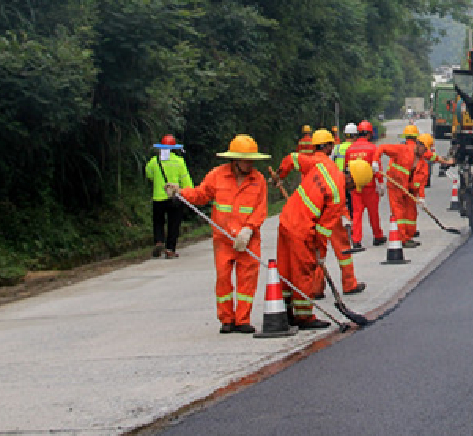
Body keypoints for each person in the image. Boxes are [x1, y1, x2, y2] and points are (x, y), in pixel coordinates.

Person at [170, 135, 270, 334]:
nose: (249, 164)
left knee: (247, 280)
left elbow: (260, 209)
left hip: (248, 240)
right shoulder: (217, 175)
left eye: (251, 160)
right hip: (223, 239)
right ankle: (227, 319)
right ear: (234, 160)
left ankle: (243, 320)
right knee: (223, 279)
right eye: (245, 160)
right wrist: (181, 192)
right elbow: (200, 195)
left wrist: (249, 229)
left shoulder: (258, 180)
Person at [274, 129, 358, 330]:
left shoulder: (322, 166)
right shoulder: (338, 195)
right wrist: (318, 253)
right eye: (354, 186)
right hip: (302, 228)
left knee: (285, 267)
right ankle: (304, 317)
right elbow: (322, 231)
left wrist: (280, 174)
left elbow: (292, 159)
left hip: (286, 219)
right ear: (351, 179)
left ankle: (284, 309)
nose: (352, 190)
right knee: (304, 269)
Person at [145, 134, 193, 259]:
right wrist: (189, 193)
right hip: (175, 197)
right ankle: (170, 249)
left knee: (158, 222)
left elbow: (149, 175)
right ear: (173, 148)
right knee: (174, 224)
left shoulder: (154, 161)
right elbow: (186, 181)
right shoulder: (179, 161)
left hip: (158, 198)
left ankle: (159, 241)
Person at [345, 121, 387, 250]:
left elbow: (347, 169)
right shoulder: (372, 148)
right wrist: (380, 183)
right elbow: (377, 169)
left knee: (357, 214)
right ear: (369, 134)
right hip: (369, 187)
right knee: (373, 213)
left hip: (355, 187)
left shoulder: (350, 149)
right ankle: (377, 236)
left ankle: (356, 240)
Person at [378, 124, 421, 247]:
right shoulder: (411, 150)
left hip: (396, 184)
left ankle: (405, 237)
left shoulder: (400, 148)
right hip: (398, 184)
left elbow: (382, 148)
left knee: (400, 211)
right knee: (403, 212)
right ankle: (404, 238)